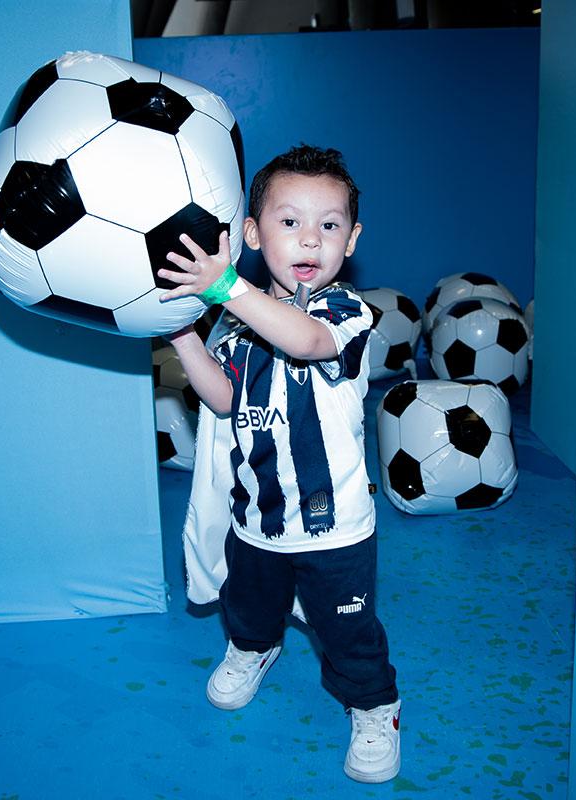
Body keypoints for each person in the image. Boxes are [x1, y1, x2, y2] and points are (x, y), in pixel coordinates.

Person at [158, 144, 401, 783]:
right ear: (252, 233)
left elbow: (306, 340)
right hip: (257, 518)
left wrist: (225, 287)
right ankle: (253, 649)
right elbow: (224, 399)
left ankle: (375, 706)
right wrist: (184, 335)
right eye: (289, 221)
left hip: (334, 528)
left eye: (329, 224)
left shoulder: (344, 312)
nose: (310, 238)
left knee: (347, 632)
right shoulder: (238, 330)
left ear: (352, 240)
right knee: (249, 606)